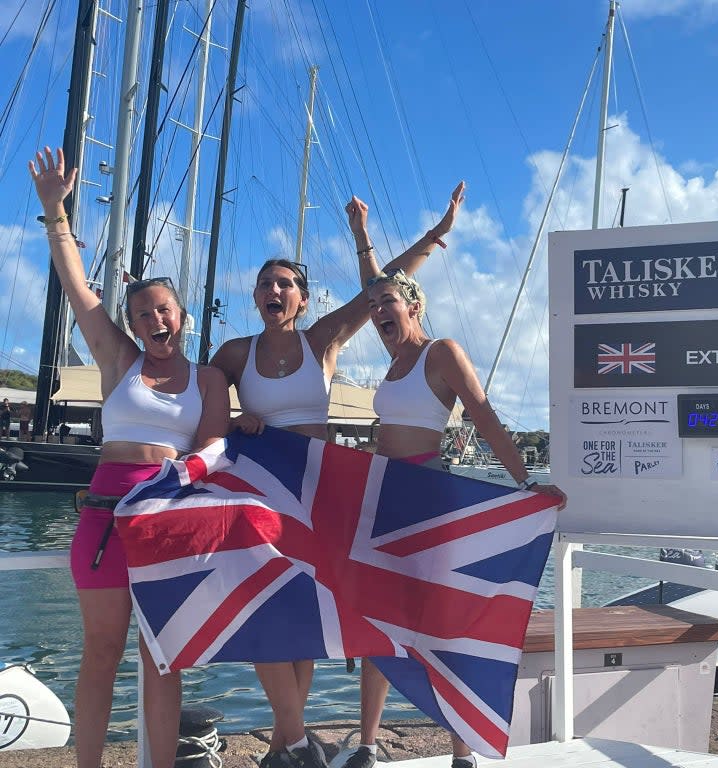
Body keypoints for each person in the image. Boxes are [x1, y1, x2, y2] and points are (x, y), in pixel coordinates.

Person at [211, 182, 466, 768]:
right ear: (254, 296)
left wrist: (435, 233)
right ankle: (293, 739)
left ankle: (287, 746)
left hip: (320, 494)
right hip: (262, 496)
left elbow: (384, 287)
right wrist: (233, 415)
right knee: (264, 611)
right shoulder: (232, 353)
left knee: (303, 620)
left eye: (286, 284)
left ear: (301, 298)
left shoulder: (321, 339)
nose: (275, 291)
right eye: (266, 284)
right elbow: (196, 410)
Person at [341, 196, 567, 768]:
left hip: (428, 494)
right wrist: (360, 229)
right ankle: (368, 743)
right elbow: (377, 285)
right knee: (376, 622)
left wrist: (525, 483)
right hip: (382, 496)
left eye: (387, 305)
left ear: (413, 305)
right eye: (374, 310)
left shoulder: (440, 353)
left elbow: (485, 415)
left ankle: (461, 749)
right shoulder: (392, 357)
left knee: (439, 622)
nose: (377, 315)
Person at [29, 146, 230, 768]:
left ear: (182, 317)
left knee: (161, 654)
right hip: (103, 516)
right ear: (135, 326)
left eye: (163, 309)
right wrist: (55, 212)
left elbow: (217, 446)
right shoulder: (119, 361)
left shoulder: (210, 380)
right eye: (143, 314)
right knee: (101, 650)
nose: (153, 320)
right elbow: (76, 285)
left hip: (167, 516)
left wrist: (188, 471)